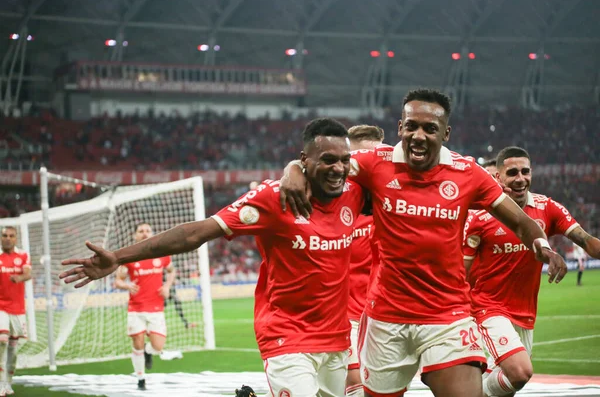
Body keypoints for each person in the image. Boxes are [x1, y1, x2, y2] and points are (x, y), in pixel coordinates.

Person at [279, 89, 567, 397]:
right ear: (400, 127)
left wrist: (541, 244)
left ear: (446, 133)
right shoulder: (375, 162)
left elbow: (522, 222)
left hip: (447, 314)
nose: (418, 135)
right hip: (386, 318)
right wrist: (292, 170)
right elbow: (324, 164)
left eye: (430, 128)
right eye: (412, 126)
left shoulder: (467, 172)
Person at [60, 118, 365, 397]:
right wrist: (118, 256)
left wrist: (293, 168)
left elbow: (392, 163)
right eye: (327, 160)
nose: (338, 168)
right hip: (289, 336)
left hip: (337, 339)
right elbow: (195, 234)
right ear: (305, 159)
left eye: (343, 161)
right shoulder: (274, 199)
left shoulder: (355, 193)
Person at [463, 146, 600, 397]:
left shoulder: (547, 207)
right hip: (487, 307)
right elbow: (462, 271)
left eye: (525, 171)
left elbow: (587, 241)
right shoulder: (480, 217)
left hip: (524, 313)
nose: (520, 178)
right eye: (512, 172)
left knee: (510, 383)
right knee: (520, 371)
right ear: (498, 178)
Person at [114, 222, 182, 391]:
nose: (144, 233)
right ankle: (141, 378)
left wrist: (167, 286)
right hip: (136, 309)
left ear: (152, 233)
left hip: (156, 309)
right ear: (135, 236)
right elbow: (118, 280)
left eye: (147, 230)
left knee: (158, 346)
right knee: (137, 342)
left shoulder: (162, 255)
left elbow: (172, 271)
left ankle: (147, 350)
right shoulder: (129, 257)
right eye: (141, 231)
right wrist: (126, 285)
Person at [345, 125, 384, 397]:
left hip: (385, 314)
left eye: (371, 156)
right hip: (344, 316)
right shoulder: (333, 202)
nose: (364, 163)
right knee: (355, 385)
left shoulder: (397, 201)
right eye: (357, 157)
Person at [0, 226, 31, 397]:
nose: (7, 238)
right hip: (0, 307)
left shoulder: (23, 255)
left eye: (11, 236)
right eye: (4, 235)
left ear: (16, 238)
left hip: (17, 309)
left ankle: (8, 382)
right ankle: (0, 384)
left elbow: (28, 273)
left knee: (13, 347)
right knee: (2, 340)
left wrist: (19, 277)